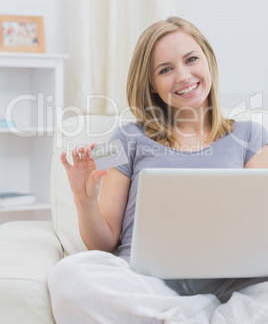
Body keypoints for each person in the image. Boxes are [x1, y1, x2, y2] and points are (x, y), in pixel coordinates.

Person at [48, 17, 268, 323]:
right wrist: (84, 200)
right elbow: (104, 242)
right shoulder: (125, 139)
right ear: (151, 84)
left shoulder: (252, 135)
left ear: (208, 60)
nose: (183, 76)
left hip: (231, 284)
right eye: (165, 69)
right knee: (70, 276)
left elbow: (259, 228)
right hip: (148, 285)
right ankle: (202, 315)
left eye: (191, 59)